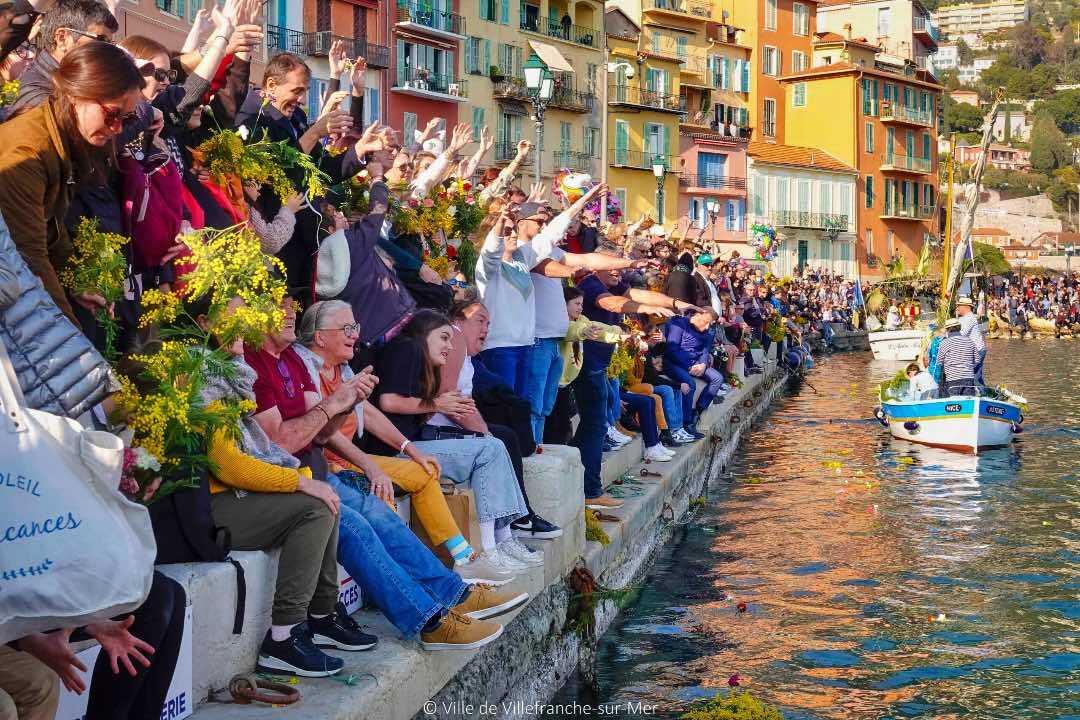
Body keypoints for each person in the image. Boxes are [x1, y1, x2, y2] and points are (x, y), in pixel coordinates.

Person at [247, 294, 527, 650]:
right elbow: (281, 444)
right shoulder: (264, 363)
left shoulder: (291, 360)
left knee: (381, 515)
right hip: (296, 477)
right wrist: (341, 409)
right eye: (280, 308)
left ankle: (453, 592)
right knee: (355, 525)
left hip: (316, 471)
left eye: (291, 308)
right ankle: (429, 620)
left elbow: (318, 429)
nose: (290, 314)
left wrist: (369, 434)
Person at [189, 296, 376, 677]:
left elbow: (276, 447)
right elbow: (228, 465)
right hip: (213, 507)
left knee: (322, 494)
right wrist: (295, 481)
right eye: (234, 314)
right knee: (315, 503)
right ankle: (283, 638)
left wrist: (304, 479)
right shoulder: (198, 371)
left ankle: (321, 615)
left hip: (238, 495)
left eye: (248, 312)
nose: (245, 322)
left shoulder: (231, 368)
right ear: (206, 323)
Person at [294, 299, 508, 576]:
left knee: (425, 470)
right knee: (382, 496)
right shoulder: (304, 368)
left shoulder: (342, 369)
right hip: (326, 466)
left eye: (355, 327)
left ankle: (464, 557)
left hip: (351, 459)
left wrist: (410, 449)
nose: (356, 335)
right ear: (320, 336)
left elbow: (369, 414)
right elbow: (327, 432)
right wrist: (373, 467)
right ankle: (417, 575)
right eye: (346, 328)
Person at [368, 309, 538, 575]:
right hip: (392, 455)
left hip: (409, 448)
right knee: (490, 447)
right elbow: (388, 401)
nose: (449, 346)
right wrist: (436, 403)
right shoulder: (407, 348)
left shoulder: (422, 359)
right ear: (424, 334)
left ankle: (503, 540)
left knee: (495, 444)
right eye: (444, 338)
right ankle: (489, 550)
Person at [0, 41, 143, 320]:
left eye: (127, 118)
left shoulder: (63, 136)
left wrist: (74, 280)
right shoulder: (27, 151)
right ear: (77, 94)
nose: (117, 128)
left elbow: (52, 222)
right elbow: (30, 254)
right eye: (112, 114)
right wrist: (73, 338)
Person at [573, 256, 692, 509]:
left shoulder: (614, 284)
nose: (618, 271)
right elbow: (613, 304)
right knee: (593, 425)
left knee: (592, 426)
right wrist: (642, 309)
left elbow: (642, 294)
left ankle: (584, 485)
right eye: (611, 265)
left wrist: (675, 302)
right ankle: (590, 492)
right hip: (588, 367)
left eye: (620, 265)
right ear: (596, 266)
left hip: (599, 367)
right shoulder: (591, 284)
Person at [444, 298, 563, 541]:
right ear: (456, 323)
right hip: (436, 432)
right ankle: (506, 531)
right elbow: (450, 399)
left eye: (488, 323)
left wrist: (484, 431)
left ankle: (514, 523)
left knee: (504, 434)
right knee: (499, 441)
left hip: (450, 426)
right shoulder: (454, 343)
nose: (486, 329)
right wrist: (484, 434)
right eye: (479, 321)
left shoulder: (466, 355)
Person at [6, 0, 118, 118]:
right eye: (101, 41)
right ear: (62, 38)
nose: (108, 51)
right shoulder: (37, 97)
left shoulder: (74, 82)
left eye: (110, 44)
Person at [663, 309, 726, 434]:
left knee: (717, 378)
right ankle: (686, 423)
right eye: (706, 322)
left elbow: (705, 350)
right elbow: (672, 349)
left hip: (697, 363)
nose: (708, 326)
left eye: (711, 324)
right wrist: (688, 367)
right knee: (690, 384)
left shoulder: (709, 331)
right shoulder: (679, 324)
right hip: (674, 363)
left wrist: (703, 364)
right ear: (698, 315)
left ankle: (697, 411)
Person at [933, 317, 980, 397]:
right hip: (968, 377)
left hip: (952, 379)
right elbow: (977, 360)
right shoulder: (969, 341)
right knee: (968, 401)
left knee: (955, 403)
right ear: (959, 328)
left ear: (948, 330)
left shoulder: (944, 343)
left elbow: (939, 362)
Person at [955, 295, 986, 382]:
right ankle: (983, 391)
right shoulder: (964, 318)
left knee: (973, 375)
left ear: (966, 307)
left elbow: (962, 334)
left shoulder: (970, 318)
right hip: (975, 350)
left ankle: (978, 392)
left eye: (959, 306)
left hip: (976, 350)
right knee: (977, 375)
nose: (957, 308)